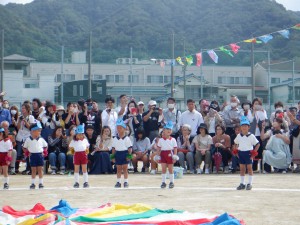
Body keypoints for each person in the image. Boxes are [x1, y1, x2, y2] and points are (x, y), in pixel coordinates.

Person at [233, 116, 260, 190]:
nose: (244, 127)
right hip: (241, 153)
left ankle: (250, 183)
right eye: (242, 126)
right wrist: (236, 151)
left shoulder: (251, 136)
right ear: (241, 127)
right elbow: (235, 143)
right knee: (242, 169)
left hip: (248, 153)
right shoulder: (239, 136)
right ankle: (242, 183)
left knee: (249, 168)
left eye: (245, 126)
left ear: (249, 127)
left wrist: (254, 153)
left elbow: (257, 144)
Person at [23, 122, 48, 189]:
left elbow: (45, 146)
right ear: (33, 131)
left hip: (40, 155)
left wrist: (44, 152)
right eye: (38, 131)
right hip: (32, 156)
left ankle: (41, 183)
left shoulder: (41, 139)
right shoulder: (28, 139)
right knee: (33, 169)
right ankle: (33, 183)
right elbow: (24, 147)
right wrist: (27, 153)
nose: (39, 132)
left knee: (40, 169)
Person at [111, 119, 133, 188]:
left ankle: (126, 181)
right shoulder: (115, 139)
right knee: (118, 168)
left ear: (124, 129)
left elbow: (130, 148)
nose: (119, 129)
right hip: (118, 154)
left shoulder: (127, 138)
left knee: (125, 168)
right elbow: (113, 149)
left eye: (120, 128)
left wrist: (129, 156)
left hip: (125, 154)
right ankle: (118, 181)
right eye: (117, 128)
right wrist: (112, 157)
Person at [157, 121, 178, 189]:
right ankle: (163, 182)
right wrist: (158, 156)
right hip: (163, 154)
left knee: (170, 168)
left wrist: (174, 156)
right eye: (167, 129)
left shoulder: (173, 140)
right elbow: (159, 148)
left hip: (169, 154)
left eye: (170, 129)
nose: (169, 131)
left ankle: (171, 182)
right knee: (163, 168)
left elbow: (175, 148)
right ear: (164, 130)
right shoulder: (160, 140)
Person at [15, 103, 35, 174]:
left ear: (27, 109)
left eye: (24, 108)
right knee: (19, 153)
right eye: (22, 108)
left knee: (27, 153)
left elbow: (31, 128)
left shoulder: (31, 117)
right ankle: (16, 168)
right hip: (20, 137)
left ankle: (28, 169)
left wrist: (25, 121)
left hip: (27, 137)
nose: (22, 109)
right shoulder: (19, 117)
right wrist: (20, 121)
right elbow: (18, 128)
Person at [249, 98, 268, 171]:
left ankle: (261, 167)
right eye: (255, 104)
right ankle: (253, 165)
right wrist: (253, 112)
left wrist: (262, 111)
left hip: (260, 132)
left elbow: (264, 119)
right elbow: (250, 120)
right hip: (253, 132)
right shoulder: (250, 112)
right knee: (253, 148)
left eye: (258, 104)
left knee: (259, 149)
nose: (256, 105)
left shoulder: (263, 111)